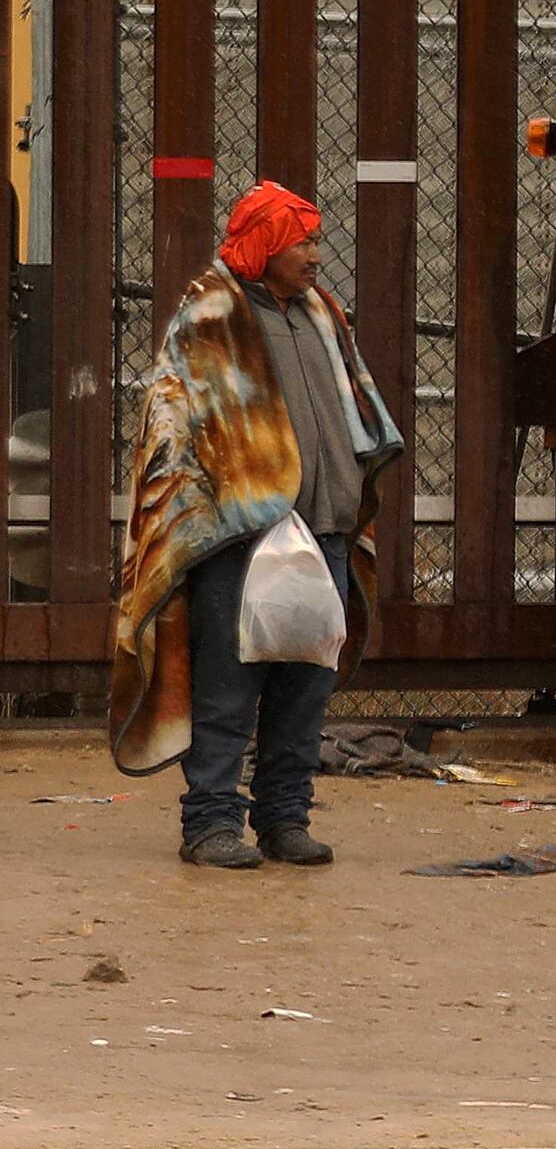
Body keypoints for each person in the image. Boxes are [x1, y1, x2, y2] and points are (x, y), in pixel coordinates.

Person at [114, 180, 406, 870]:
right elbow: (174, 425)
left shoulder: (322, 311)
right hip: (243, 537)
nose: (315, 253)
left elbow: (354, 404)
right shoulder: (211, 315)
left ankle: (284, 819)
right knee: (227, 684)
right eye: (302, 240)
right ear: (268, 243)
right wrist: (225, 510)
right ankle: (211, 824)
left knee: (306, 682)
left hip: (323, 530)